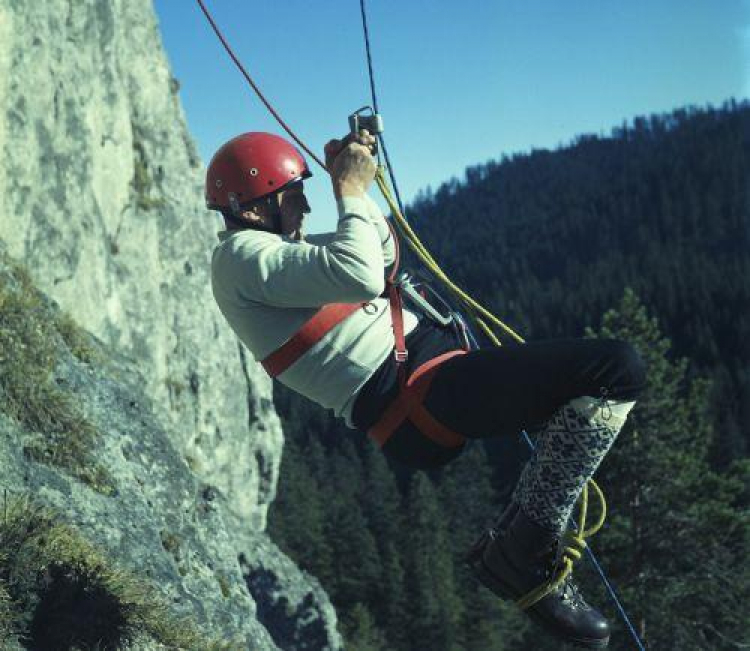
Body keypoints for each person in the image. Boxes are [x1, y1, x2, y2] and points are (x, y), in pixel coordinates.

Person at [207, 130, 647, 649]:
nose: (304, 201)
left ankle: (518, 537)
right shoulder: (241, 257)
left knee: (600, 378)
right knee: (614, 369)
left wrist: (354, 189)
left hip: (432, 383)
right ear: (254, 210)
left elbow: (385, 254)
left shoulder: (277, 257)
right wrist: (347, 191)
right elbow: (362, 273)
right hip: (419, 395)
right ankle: (522, 550)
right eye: (292, 192)